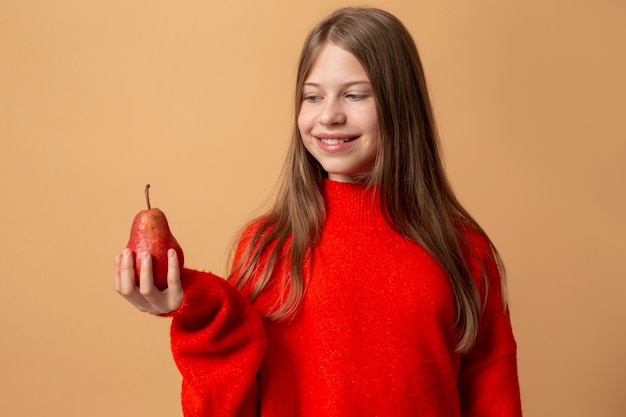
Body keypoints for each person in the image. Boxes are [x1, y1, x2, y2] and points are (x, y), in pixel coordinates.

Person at [114, 7, 522, 417]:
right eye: (313, 96)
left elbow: (494, 397)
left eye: (355, 94)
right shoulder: (266, 248)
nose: (328, 115)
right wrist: (201, 311)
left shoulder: (463, 250)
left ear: (400, 105)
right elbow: (229, 403)